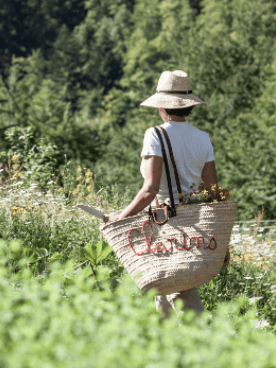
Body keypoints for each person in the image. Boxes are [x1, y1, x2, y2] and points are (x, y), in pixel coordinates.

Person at [105, 70, 230, 317]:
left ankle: (202, 343)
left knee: (176, 284)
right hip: (194, 222)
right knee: (164, 288)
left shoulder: (156, 134)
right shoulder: (203, 138)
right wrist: (221, 239)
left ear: (162, 105)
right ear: (188, 105)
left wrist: (121, 218)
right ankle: (167, 347)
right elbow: (212, 193)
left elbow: (150, 190)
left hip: (165, 220)